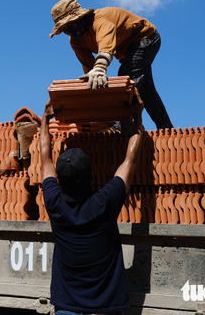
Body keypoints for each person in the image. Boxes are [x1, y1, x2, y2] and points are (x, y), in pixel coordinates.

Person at [40, 98, 144, 315]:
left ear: (59, 180)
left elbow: (45, 158)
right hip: (105, 309)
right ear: (92, 176)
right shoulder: (104, 203)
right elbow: (130, 162)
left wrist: (46, 118)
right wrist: (137, 117)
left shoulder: (54, 205)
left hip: (66, 308)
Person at [49, 0, 173, 130]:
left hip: (145, 38)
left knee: (126, 82)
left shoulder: (100, 20)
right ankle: (167, 130)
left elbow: (105, 47)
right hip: (127, 52)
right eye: (65, 28)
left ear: (80, 17)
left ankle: (119, 129)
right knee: (147, 93)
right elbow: (90, 68)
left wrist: (100, 67)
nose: (70, 30)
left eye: (71, 24)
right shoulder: (76, 42)